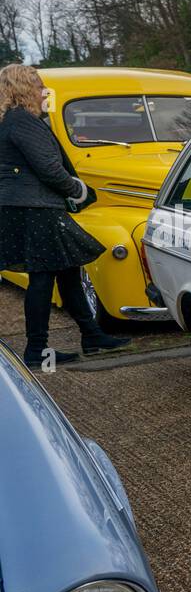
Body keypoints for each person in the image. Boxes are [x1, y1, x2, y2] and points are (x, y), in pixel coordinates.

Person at [0, 64, 126, 368]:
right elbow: (49, 169)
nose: (44, 90)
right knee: (42, 278)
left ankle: (92, 335)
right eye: (39, 84)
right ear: (24, 88)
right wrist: (79, 190)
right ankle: (37, 351)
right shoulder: (24, 121)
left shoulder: (9, 121)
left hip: (21, 205)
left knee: (68, 267)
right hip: (37, 208)